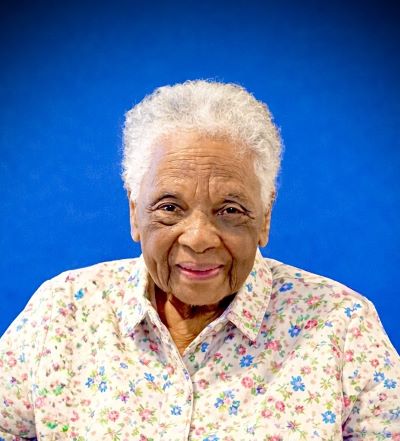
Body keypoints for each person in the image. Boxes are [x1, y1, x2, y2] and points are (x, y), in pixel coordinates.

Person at [0, 80, 399, 441]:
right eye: (170, 207)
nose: (199, 239)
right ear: (135, 212)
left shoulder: (341, 327)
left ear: (265, 216)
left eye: (230, 210)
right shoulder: (62, 312)